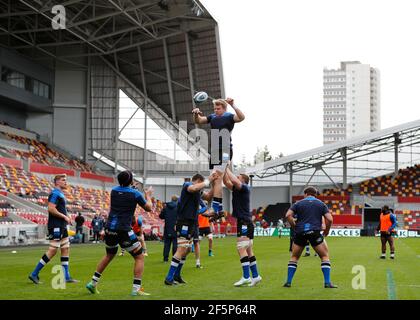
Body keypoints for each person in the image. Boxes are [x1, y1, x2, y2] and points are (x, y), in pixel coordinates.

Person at [86, 170, 153, 296]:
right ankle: (136, 289)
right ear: (131, 180)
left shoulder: (114, 191)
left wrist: (131, 187)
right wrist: (148, 195)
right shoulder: (136, 194)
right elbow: (148, 208)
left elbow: (124, 194)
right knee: (139, 256)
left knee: (109, 255)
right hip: (123, 229)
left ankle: (92, 283)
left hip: (110, 229)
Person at [192, 97, 245, 222]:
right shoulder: (213, 117)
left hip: (225, 150)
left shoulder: (229, 116)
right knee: (215, 180)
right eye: (215, 108)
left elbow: (242, 118)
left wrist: (234, 104)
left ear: (224, 108)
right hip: (215, 151)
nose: (216, 110)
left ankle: (215, 208)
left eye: (218, 108)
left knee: (217, 177)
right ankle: (219, 209)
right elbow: (199, 120)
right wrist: (195, 114)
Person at [164, 172, 218, 285]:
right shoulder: (187, 185)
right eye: (201, 183)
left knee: (187, 250)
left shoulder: (198, 192)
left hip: (192, 223)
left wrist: (213, 184)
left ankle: (177, 275)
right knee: (181, 249)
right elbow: (193, 188)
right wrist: (208, 181)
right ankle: (169, 278)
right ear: (198, 181)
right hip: (184, 222)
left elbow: (208, 196)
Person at [283, 186, 337, 288]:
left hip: (300, 232)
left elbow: (288, 215)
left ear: (305, 194)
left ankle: (288, 282)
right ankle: (327, 282)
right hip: (314, 232)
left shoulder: (298, 203)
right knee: (324, 256)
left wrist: (294, 227)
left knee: (294, 257)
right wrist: (326, 231)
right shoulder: (321, 204)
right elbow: (330, 219)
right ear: (315, 194)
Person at [28, 174, 78, 284]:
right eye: (63, 180)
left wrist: (67, 216)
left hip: (62, 225)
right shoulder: (55, 193)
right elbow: (51, 208)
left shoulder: (60, 193)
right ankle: (34, 274)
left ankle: (66, 276)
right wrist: (64, 216)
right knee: (53, 250)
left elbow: (59, 209)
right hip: (56, 225)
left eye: (66, 180)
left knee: (65, 248)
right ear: (57, 182)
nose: (66, 182)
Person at [223, 162, 262, 287]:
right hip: (245, 221)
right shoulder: (237, 188)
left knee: (241, 247)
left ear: (243, 180)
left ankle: (246, 277)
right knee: (249, 249)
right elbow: (227, 182)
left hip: (244, 221)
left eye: (238, 176)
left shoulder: (244, 187)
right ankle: (256, 276)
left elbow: (233, 180)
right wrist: (224, 171)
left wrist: (227, 168)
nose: (236, 177)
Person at [159, 196, 178, 262]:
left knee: (167, 244)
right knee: (175, 244)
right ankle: (174, 258)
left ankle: (165, 259)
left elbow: (161, 216)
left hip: (167, 228)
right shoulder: (178, 207)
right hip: (175, 228)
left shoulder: (166, 207)